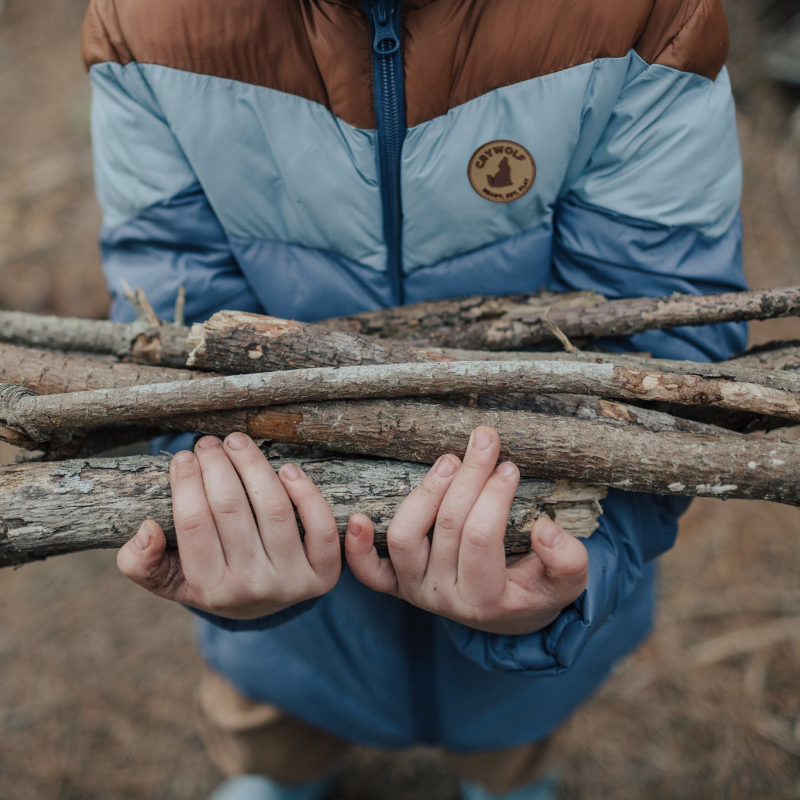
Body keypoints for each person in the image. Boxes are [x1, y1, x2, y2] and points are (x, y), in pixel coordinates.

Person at [81, 1, 748, 798]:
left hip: (527, 539)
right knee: (271, 713)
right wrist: (220, 512)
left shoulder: (647, 15)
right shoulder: (149, 23)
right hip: (292, 597)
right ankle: (273, 774)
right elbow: (174, 319)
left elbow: (661, 336)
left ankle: (511, 777)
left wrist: (584, 556)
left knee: (519, 717)